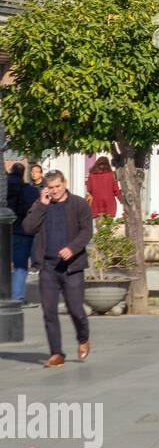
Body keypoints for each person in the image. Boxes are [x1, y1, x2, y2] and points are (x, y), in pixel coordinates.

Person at [21, 170, 93, 367]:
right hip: (48, 266)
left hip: (72, 267)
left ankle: (83, 337)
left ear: (65, 184)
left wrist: (72, 248)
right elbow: (27, 228)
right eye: (50, 188)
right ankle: (56, 353)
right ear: (46, 188)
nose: (54, 191)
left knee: (76, 309)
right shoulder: (40, 205)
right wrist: (42, 206)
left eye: (57, 187)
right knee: (49, 311)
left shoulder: (79, 204)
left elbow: (87, 231)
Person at [7, 163, 39, 304]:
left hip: (4, 230)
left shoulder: (3, 188)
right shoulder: (31, 190)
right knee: (20, 266)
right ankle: (17, 297)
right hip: (23, 231)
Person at [85, 156, 121, 220]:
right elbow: (116, 190)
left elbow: (89, 189)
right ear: (107, 164)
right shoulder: (111, 175)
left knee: (99, 227)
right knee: (108, 227)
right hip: (109, 204)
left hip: (96, 204)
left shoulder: (92, 175)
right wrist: (122, 200)